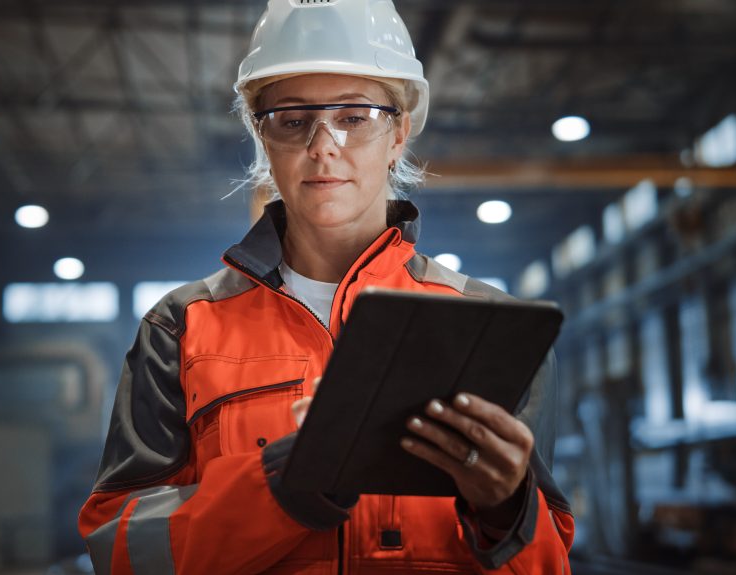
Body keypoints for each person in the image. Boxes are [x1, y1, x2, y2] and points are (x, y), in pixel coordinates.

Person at [78, 1, 574, 573]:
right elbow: (121, 550)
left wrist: (505, 509)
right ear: (264, 139)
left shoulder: (490, 325)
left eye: (355, 116)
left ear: (399, 134)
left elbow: (552, 562)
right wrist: (280, 488)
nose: (323, 145)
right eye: (292, 120)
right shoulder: (182, 325)